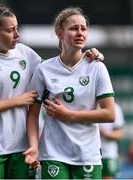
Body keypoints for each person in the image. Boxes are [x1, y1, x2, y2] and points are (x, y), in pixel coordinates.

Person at [0, 4, 104, 179]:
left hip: (23, 147)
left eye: (17, 28)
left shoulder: (25, 53)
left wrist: (88, 56)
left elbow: (58, 70)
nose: (17, 34)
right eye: (10, 30)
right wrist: (17, 100)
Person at [24, 7, 115, 179]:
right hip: (53, 154)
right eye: (74, 28)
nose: (80, 33)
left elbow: (109, 114)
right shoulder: (44, 69)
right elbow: (32, 115)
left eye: (83, 28)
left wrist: (69, 115)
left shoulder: (97, 67)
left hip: (87, 154)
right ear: (59, 33)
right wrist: (34, 146)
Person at [100, 103, 124, 179]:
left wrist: (104, 133)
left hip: (107, 155)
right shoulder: (87, 105)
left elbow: (119, 134)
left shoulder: (115, 108)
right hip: (88, 155)